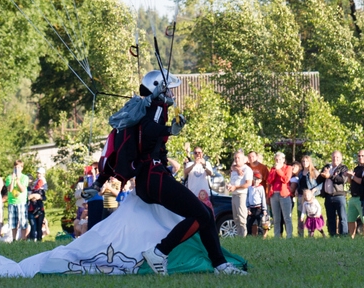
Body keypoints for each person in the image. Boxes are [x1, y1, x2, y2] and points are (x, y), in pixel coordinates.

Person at [126, 71, 245, 276]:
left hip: (152, 177)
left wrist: (169, 129)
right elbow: (148, 130)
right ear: (159, 89)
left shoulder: (151, 108)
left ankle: (220, 265)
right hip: (154, 176)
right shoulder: (155, 108)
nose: (172, 93)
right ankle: (159, 252)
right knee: (200, 213)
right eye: (168, 89)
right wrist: (170, 130)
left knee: (205, 214)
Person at [265, 151, 294, 239]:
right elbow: (269, 181)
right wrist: (275, 170)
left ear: (283, 160)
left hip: (284, 195)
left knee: (287, 217)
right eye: (276, 159)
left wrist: (279, 170)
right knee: (276, 218)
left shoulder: (288, 168)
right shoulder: (273, 169)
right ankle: (276, 236)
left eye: (279, 159)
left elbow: (286, 179)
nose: (277, 161)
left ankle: (289, 236)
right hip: (274, 194)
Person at [228, 152, 253, 238]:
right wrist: (230, 186)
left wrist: (236, 187)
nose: (236, 160)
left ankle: (244, 236)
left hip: (241, 194)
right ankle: (239, 237)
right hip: (234, 194)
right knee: (236, 217)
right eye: (235, 158)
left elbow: (248, 184)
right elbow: (233, 179)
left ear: (243, 159)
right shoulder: (234, 169)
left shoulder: (247, 169)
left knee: (242, 217)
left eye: (239, 158)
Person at [5, 160, 31, 242]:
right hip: (12, 202)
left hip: (21, 202)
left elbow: (23, 189)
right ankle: (13, 239)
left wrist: (18, 180)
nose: (17, 169)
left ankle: (23, 239)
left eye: (19, 167)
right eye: (15, 167)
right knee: (13, 222)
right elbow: (10, 189)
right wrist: (13, 179)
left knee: (23, 221)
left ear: (22, 168)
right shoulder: (9, 177)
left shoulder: (25, 177)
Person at [26, 168, 47, 242]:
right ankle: (32, 241)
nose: (30, 181)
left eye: (31, 179)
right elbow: (27, 198)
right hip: (30, 210)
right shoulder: (27, 189)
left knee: (39, 227)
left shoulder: (40, 185)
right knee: (33, 226)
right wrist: (32, 196)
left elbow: (44, 197)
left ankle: (39, 241)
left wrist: (38, 196)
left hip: (39, 209)